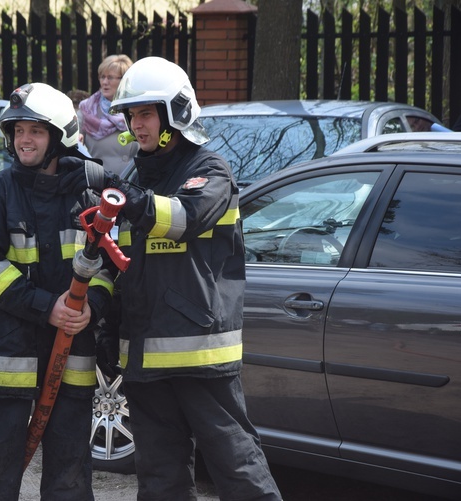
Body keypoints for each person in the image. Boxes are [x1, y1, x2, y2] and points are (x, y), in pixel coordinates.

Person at [71, 56, 283, 500]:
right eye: (131, 115)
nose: (137, 124)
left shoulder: (208, 171)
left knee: (237, 468)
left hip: (199, 355)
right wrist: (103, 311)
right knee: (160, 479)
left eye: (146, 113)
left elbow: (182, 219)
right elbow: (119, 260)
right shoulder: (136, 177)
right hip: (145, 356)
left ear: (176, 114)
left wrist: (126, 196)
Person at [0, 82, 113, 501]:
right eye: (18, 131)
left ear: (60, 137)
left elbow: (104, 266)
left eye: (36, 131)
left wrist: (91, 308)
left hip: (71, 354)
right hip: (7, 356)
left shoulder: (88, 196)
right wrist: (49, 308)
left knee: (70, 473)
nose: (24, 140)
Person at [78, 54, 140, 175]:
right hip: (99, 184)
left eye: (110, 78)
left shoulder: (138, 109)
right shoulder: (88, 109)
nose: (105, 82)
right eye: (102, 77)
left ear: (124, 80)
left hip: (135, 184)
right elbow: (73, 138)